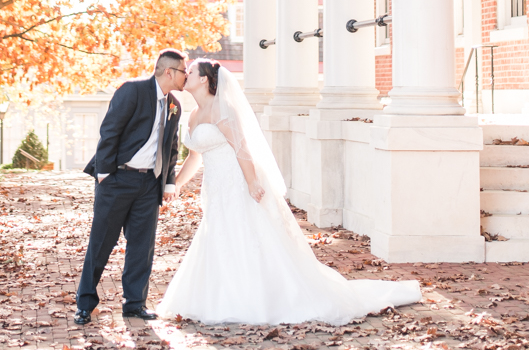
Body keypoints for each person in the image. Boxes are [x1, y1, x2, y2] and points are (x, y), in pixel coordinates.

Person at [158, 60, 422, 326]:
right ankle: (221, 295)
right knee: (219, 235)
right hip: (215, 189)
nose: (186, 74)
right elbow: (194, 158)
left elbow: (242, 149)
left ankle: (257, 298)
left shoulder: (223, 109)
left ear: (204, 79)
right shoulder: (192, 115)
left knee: (244, 235)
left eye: (190, 71)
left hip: (236, 182)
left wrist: (251, 183)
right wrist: (177, 184)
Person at [75, 49, 186, 324]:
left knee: (142, 246)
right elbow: (109, 130)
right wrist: (104, 174)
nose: (187, 75)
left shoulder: (175, 106)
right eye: (184, 71)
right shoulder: (132, 91)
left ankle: (134, 304)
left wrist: (168, 181)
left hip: (149, 184)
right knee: (101, 244)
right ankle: (85, 305)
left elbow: (171, 148)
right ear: (169, 72)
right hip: (117, 180)